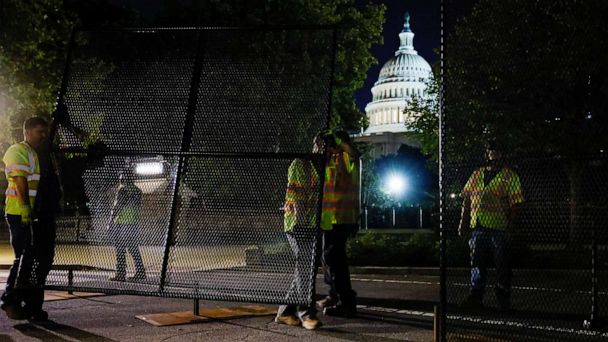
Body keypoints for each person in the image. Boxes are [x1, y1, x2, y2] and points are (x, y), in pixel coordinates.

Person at [458, 141, 524, 311]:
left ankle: (503, 298)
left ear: (502, 155)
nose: (494, 155)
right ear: (486, 154)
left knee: (502, 265)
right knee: (477, 264)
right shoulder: (476, 174)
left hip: (499, 228)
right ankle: (476, 297)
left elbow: (516, 204)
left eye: (497, 152)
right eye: (491, 152)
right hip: (477, 226)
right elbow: (466, 200)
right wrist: (462, 223)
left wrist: (511, 226)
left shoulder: (510, 176)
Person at [275, 134, 326, 330]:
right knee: (305, 269)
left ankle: (285, 311)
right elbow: (296, 198)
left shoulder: (321, 167)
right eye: (322, 146)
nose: (324, 151)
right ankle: (306, 313)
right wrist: (301, 223)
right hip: (298, 225)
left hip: (312, 224)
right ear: (316, 146)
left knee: (306, 269)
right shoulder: (300, 164)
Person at [1, 117, 49, 320]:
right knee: (22, 257)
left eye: (45, 131)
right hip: (18, 212)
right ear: (27, 132)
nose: (43, 135)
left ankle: (16, 301)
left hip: (26, 212)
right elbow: (20, 179)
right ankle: (9, 300)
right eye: (40, 131)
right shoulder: (17, 150)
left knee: (27, 257)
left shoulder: (32, 153)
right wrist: (25, 208)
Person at [316, 130, 360, 318]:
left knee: (336, 261)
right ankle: (335, 294)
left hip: (341, 218)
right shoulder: (326, 162)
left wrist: (340, 141)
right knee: (328, 259)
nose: (317, 150)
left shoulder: (343, 158)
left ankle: (346, 301)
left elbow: (355, 155)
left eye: (320, 146)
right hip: (330, 219)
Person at [108, 167, 146, 282]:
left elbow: (118, 206)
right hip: (133, 223)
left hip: (122, 223)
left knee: (120, 248)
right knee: (133, 248)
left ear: (124, 177)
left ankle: (120, 273)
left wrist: (110, 221)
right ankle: (140, 272)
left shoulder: (123, 190)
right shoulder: (138, 191)